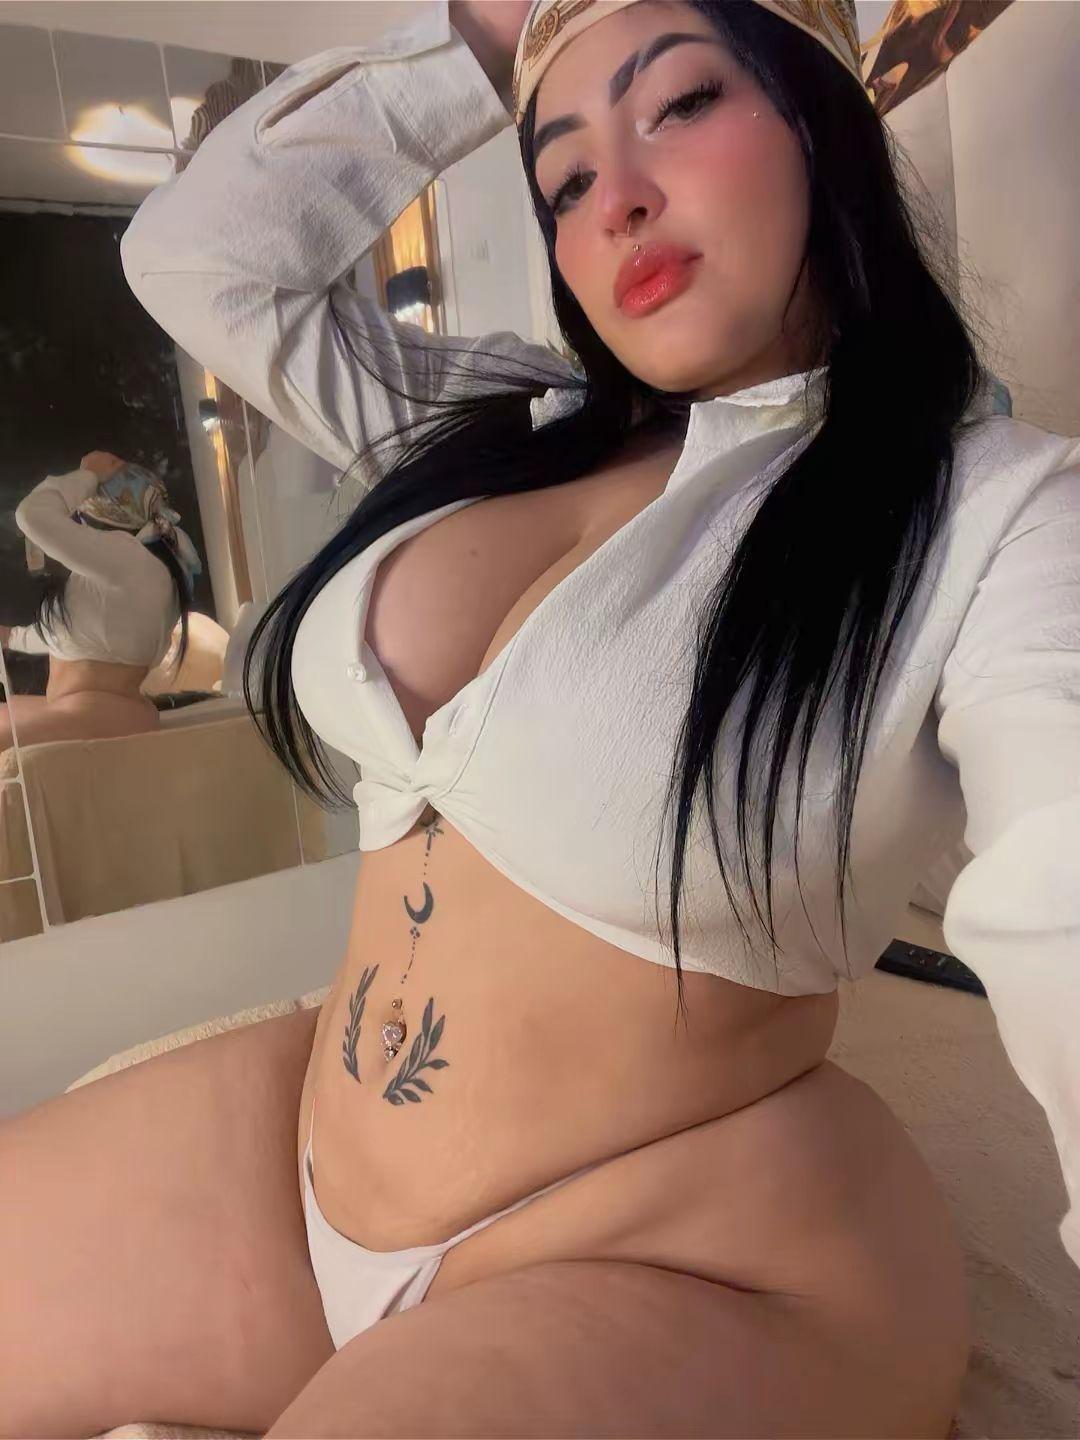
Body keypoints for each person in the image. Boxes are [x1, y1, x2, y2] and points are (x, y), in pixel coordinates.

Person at [3, 1, 1078, 1435]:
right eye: (562, 175)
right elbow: (200, 260)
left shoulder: (997, 509)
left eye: (681, 104)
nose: (614, 196)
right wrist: (476, 45)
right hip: (301, 1156)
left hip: (684, 1254)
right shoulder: (516, 420)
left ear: (822, 121)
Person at [0, 452, 201, 752]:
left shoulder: (129, 560)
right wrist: (11, 637)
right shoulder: (156, 572)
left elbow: (32, 515)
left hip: (92, 716)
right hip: (110, 716)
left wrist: (88, 475)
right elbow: (80, 635)